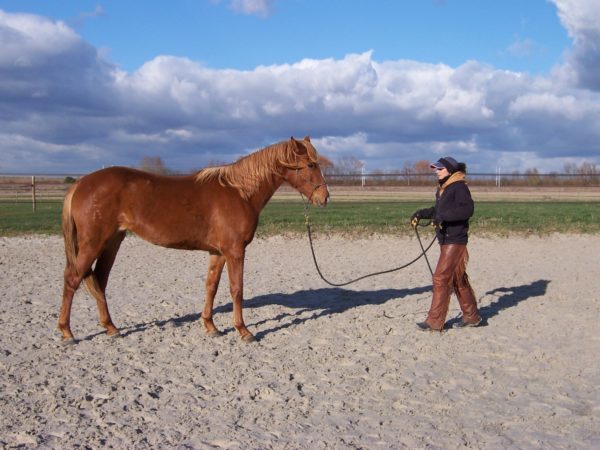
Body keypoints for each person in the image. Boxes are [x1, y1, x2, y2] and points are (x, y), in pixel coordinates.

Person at [411, 156, 482, 331]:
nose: (436, 171)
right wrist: (422, 214)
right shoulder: (444, 187)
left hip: (455, 239)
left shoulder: (459, 186)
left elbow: (467, 210)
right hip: (446, 238)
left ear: (450, 170)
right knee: (458, 278)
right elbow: (439, 210)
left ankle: (434, 322)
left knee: (440, 278)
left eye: (440, 169)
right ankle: (472, 317)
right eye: (436, 168)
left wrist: (443, 217)